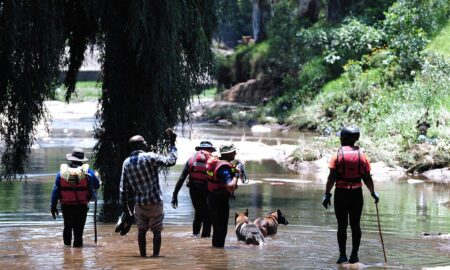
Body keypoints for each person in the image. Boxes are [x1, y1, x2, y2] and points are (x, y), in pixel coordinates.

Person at [322, 126, 379, 264]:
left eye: (341, 137)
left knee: (342, 225)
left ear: (344, 139)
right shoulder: (362, 156)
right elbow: (367, 178)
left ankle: (342, 256)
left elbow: (331, 178)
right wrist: (373, 193)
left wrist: (327, 194)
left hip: (341, 194)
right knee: (355, 225)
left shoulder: (337, 156)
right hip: (356, 195)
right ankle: (354, 256)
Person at [120, 129, 177, 257]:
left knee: (141, 230)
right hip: (155, 202)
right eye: (144, 142)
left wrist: (125, 209)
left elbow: (123, 189)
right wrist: (172, 144)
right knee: (156, 230)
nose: (146, 144)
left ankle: (143, 257)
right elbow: (171, 161)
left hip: (139, 204)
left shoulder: (126, 163)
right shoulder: (150, 156)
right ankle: (155, 258)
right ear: (140, 145)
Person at [50, 147, 100, 247]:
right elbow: (97, 185)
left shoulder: (62, 173)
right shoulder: (88, 172)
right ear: (82, 160)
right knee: (78, 231)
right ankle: (78, 256)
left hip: (66, 205)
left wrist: (53, 206)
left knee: (67, 227)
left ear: (71, 159)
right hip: (81, 206)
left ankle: (66, 252)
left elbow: (55, 190)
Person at [171, 141, 216, 237]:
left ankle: (195, 236)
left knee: (198, 213)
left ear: (199, 149)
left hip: (194, 190)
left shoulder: (191, 160)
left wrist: (175, 195)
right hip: (206, 191)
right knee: (207, 216)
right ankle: (205, 241)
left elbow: (182, 178)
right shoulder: (213, 160)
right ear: (210, 150)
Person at [207, 143, 239, 248]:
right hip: (220, 201)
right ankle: (219, 253)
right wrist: (236, 175)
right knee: (221, 229)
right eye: (233, 151)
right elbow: (230, 186)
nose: (235, 153)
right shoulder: (224, 167)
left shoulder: (217, 163)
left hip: (212, 198)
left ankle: (215, 251)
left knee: (216, 228)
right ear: (228, 153)